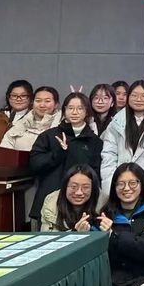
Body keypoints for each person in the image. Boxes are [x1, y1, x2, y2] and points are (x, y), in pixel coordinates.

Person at [29, 92, 102, 224]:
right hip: (50, 202)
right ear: (64, 110)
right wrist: (58, 153)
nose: (75, 112)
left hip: (82, 204)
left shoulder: (94, 141)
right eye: (70, 108)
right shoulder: (49, 136)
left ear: (87, 112)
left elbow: (96, 174)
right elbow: (35, 164)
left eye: (80, 108)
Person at [101, 80, 144, 196]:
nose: (138, 99)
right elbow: (109, 155)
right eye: (134, 95)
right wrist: (110, 185)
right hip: (123, 186)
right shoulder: (116, 123)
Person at [40, 164, 105, 232]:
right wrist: (76, 233)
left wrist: (107, 232)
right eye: (73, 187)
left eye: (85, 187)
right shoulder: (52, 203)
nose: (79, 192)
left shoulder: (103, 202)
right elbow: (47, 236)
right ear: (65, 187)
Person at [1, 86, 61, 151]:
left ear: (56, 104)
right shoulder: (21, 124)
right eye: (38, 101)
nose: (42, 105)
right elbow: (5, 150)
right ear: (32, 103)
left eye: (47, 101)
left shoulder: (61, 125)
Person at [0, 79, 33, 146]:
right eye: (14, 96)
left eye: (23, 96)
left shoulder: (35, 121)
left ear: (30, 98)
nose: (18, 99)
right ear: (8, 97)